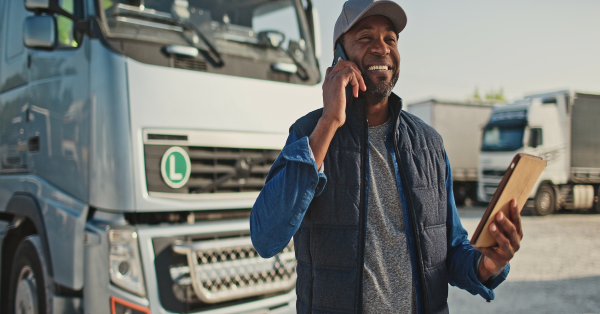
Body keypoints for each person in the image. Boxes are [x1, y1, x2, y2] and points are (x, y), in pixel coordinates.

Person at [250, 0, 523, 313]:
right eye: (366, 38)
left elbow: (450, 251)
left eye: (390, 39)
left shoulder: (429, 144)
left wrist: (488, 264)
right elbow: (266, 237)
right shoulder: (310, 134)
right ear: (340, 56)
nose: (382, 49)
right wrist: (329, 122)